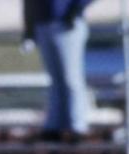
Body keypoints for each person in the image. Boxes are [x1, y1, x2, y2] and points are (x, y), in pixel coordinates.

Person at [22, 0, 95, 142]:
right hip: (42, 23)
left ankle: (77, 126)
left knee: (71, 79)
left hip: (66, 24)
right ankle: (53, 126)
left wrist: (74, 10)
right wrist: (29, 28)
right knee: (55, 80)